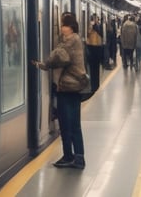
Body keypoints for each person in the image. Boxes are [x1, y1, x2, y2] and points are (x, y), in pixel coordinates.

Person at [31, 12, 87, 169]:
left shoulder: (70, 42)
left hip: (67, 88)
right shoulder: (77, 39)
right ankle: (79, 158)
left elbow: (57, 57)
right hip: (75, 88)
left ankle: (69, 156)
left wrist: (42, 64)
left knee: (65, 124)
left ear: (70, 27)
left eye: (63, 25)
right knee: (75, 125)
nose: (62, 28)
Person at [85, 15, 104, 91]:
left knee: (96, 68)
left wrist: (95, 26)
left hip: (98, 48)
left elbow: (101, 34)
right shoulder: (89, 26)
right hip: (91, 48)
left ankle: (96, 85)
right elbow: (87, 34)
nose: (96, 20)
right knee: (92, 69)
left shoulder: (99, 26)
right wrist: (91, 26)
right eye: (95, 19)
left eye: (97, 19)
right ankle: (93, 85)